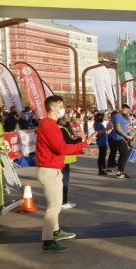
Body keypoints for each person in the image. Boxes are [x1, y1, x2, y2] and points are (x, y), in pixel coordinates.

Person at [36, 95, 96, 253]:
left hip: (53, 168)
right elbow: (61, 148)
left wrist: (85, 144)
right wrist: (84, 147)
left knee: (56, 204)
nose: (64, 109)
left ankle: (55, 232)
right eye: (61, 106)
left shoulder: (51, 124)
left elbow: (62, 146)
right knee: (54, 207)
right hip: (49, 169)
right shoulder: (48, 125)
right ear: (52, 108)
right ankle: (48, 241)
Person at [58, 116, 81, 209]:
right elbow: (69, 142)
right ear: (60, 120)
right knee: (64, 181)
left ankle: (60, 200)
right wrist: (80, 139)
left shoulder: (56, 128)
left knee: (60, 180)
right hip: (64, 158)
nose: (67, 121)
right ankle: (63, 201)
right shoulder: (62, 129)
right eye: (65, 119)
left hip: (59, 158)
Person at [108, 104, 134, 178]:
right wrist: (126, 136)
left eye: (127, 111)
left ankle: (120, 171)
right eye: (125, 110)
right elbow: (118, 128)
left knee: (124, 155)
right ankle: (120, 172)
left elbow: (126, 126)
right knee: (123, 155)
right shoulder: (118, 116)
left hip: (123, 137)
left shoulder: (124, 117)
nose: (126, 112)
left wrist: (131, 133)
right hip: (120, 138)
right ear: (121, 109)